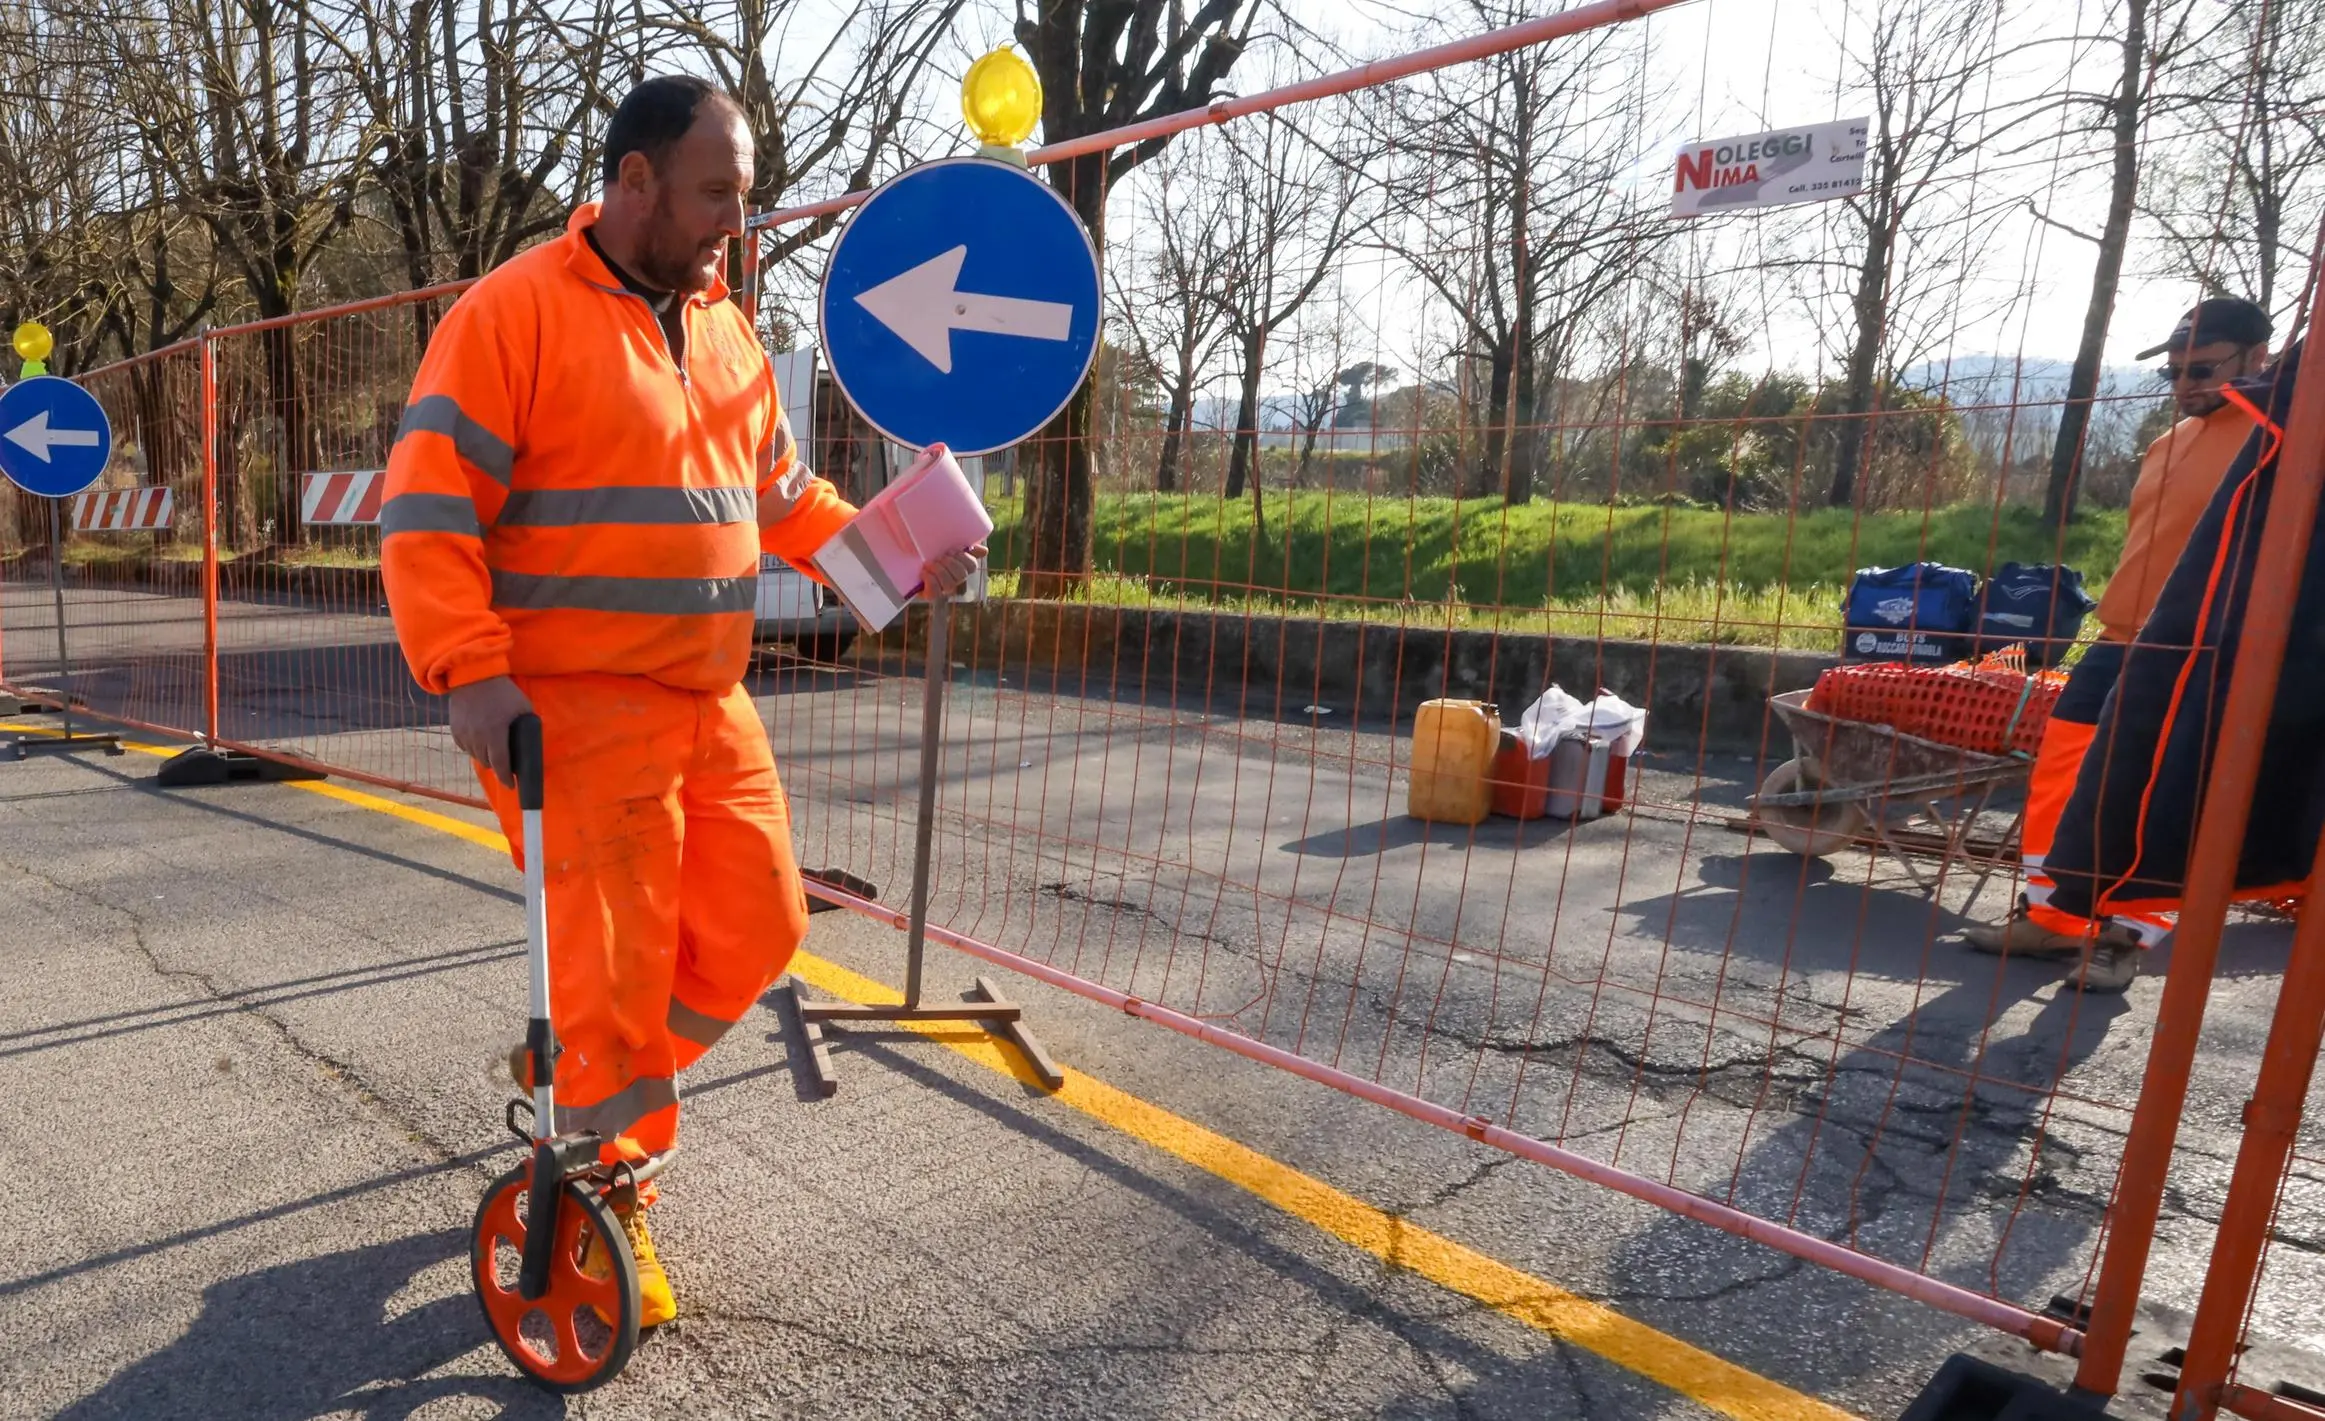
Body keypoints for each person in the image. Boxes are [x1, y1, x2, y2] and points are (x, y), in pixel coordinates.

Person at [380, 75, 982, 1328]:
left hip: (709, 699)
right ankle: (607, 1195)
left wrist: (900, 550)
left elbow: (779, 500)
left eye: (743, 197)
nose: (733, 222)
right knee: (615, 963)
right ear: (635, 180)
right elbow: (428, 507)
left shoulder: (725, 331)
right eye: (716, 192)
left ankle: (587, 1078)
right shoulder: (512, 316)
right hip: (571, 708)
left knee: (762, 923)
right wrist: (471, 672)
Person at [1961, 297, 2272, 989]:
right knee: (2061, 775)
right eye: (2172, 373)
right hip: (2117, 637)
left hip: (2198, 648)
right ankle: (2051, 917)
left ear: (2258, 358)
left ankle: (2123, 937)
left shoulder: (2278, 440)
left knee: (2160, 793)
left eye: (2201, 369)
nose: (2185, 385)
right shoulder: (2168, 443)